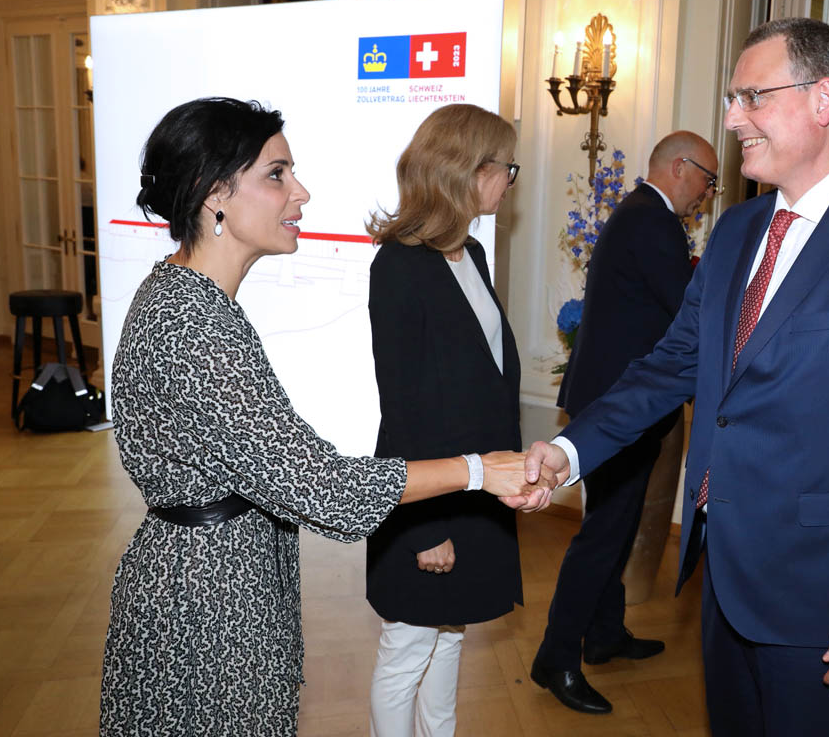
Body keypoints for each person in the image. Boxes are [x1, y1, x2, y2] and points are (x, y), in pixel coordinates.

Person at [522, 18, 829, 736]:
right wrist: (569, 449)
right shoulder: (737, 230)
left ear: (823, 100)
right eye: (733, 99)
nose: (734, 119)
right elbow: (672, 364)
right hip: (723, 577)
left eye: (753, 97)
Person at [100, 97, 549, 736]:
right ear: (214, 193)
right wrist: (478, 471)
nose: (300, 192)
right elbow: (322, 487)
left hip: (219, 584)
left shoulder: (188, 302)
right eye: (276, 174)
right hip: (207, 607)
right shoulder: (193, 325)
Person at [531, 131, 719, 714]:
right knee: (603, 535)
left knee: (614, 524)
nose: (708, 193)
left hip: (613, 401)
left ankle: (604, 633)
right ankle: (555, 657)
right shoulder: (652, 221)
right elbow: (690, 310)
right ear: (681, 168)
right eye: (709, 180)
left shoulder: (639, 213)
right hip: (617, 408)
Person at [362, 104, 525, 737]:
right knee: (407, 648)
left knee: (449, 635)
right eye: (507, 167)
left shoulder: (471, 254)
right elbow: (402, 405)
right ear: (470, 169)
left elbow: (485, 381)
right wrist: (424, 527)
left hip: (474, 486)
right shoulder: (399, 265)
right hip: (426, 496)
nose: (510, 180)